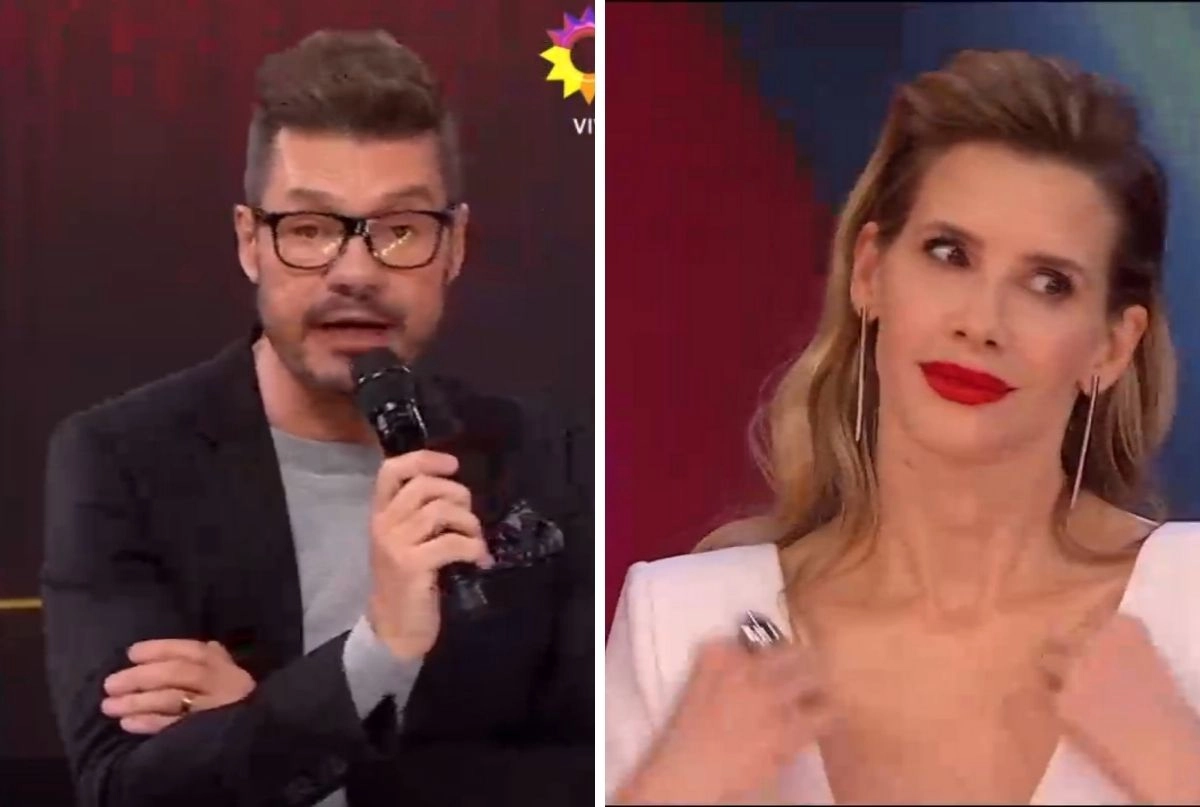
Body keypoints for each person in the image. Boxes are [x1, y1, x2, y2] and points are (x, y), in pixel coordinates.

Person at [606, 49, 1200, 805]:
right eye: (950, 255)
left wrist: (1182, 771)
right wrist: (673, 788)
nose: (981, 322)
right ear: (870, 273)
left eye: (1048, 283)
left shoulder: (1190, 602)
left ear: (1112, 346)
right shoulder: (683, 624)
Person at [42, 29, 592, 807]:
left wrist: (270, 727)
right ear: (249, 241)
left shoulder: (544, 455)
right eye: (310, 229)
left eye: (400, 229)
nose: (356, 272)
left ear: (455, 245)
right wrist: (378, 652)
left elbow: (587, 776)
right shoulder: (122, 461)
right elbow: (127, 788)